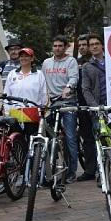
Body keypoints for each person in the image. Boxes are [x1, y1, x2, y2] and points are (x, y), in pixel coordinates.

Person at [42, 35, 80, 183]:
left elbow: (73, 78)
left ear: (65, 47)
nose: (57, 48)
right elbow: (43, 82)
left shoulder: (71, 61)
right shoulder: (46, 63)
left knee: (70, 137)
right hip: (51, 104)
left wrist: (68, 88)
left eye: (60, 46)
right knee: (47, 136)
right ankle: (48, 169)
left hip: (67, 102)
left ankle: (71, 171)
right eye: (55, 46)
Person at [3, 47, 48, 136]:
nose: (23, 58)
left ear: (32, 58)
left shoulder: (39, 74)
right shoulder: (12, 73)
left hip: (32, 113)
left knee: (31, 142)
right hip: (15, 113)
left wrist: (42, 111)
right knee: (16, 142)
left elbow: (44, 94)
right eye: (21, 56)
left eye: (26, 56)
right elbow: (7, 95)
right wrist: (7, 111)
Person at [75, 34, 97, 182]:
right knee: (87, 138)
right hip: (82, 106)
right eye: (80, 45)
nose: (83, 47)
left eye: (85, 45)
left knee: (101, 137)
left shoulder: (96, 61)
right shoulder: (75, 63)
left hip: (97, 104)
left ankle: (105, 167)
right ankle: (90, 170)